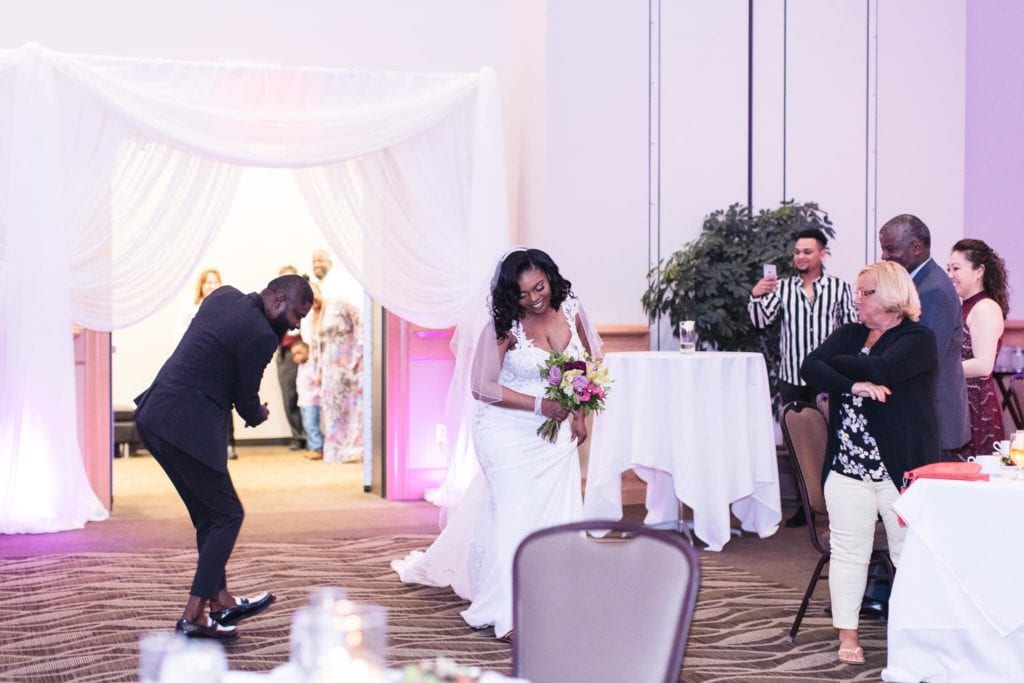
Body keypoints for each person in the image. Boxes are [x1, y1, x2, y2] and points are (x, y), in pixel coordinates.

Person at [392, 247, 602, 639]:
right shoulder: (504, 321)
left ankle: (554, 595)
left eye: (539, 287)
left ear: (550, 278)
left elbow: (586, 365)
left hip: (554, 433)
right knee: (517, 513)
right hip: (505, 428)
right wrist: (542, 405)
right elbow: (482, 386)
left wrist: (579, 413)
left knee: (555, 513)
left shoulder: (572, 308)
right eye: (523, 294)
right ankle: (508, 608)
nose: (534, 298)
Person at [134, 274, 313, 639]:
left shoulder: (221, 296)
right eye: (297, 313)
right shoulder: (263, 335)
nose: (297, 323)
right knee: (229, 515)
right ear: (278, 299)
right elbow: (245, 395)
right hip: (186, 428)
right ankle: (193, 615)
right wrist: (258, 414)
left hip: (154, 416)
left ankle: (222, 601)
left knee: (209, 515)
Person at [801, 261, 939, 665]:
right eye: (858, 292)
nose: (856, 299)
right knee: (848, 552)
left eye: (866, 292)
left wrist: (839, 366)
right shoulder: (849, 333)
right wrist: (853, 384)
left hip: (901, 469)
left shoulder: (918, 339)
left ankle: (918, 634)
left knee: (908, 555)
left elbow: (883, 368)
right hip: (847, 467)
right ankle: (848, 636)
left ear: (893, 295)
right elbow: (810, 367)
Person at [748, 228, 857, 527]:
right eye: (797, 252)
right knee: (797, 441)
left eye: (807, 251)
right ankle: (804, 506)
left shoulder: (840, 288)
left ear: (822, 254)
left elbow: (851, 329)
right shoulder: (781, 288)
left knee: (833, 438)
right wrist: (756, 296)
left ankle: (837, 502)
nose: (800, 256)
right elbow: (760, 321)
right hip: (791, 375)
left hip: (827, 375)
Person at [879, 214, 970, 457]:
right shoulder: (920, 282)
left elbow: (922, 358)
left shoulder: (933, 290)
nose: (884, 257)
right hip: (924, 414)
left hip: (933, 416)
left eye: (890, 249)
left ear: (916, 247)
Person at [947, 239, 1010, 458]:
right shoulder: (965, 306)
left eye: (956, 268)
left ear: (979, 271)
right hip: (960, 400)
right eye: (949, 269)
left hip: (976, 406)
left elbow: (984, 365)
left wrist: (940, 371)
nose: (951, 275)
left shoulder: (985, 308)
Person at [313, 249, 365, 464]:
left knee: (352, 407)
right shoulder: (319, 310)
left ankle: (354, 448)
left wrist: (358, 357)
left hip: (348, 365)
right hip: (329, 367)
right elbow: (319, 343)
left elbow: (361, 328)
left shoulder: (343, 304)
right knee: (332, 407)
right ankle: (335, 449)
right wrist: (318, 369)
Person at [275, 265, 306, 451]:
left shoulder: (304, 300)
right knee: (289, 396)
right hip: (283, 351)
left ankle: (309, 436)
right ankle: (297, 435)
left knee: (305, 396)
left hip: (299, 349)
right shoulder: (275, 302)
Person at [291, 339, 324, 461]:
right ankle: (312, 447)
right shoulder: (301, 366)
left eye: (299, 353)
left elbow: (317, 380)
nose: (296, 357)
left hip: (312, 401)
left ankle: (318, 448)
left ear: (308, 351)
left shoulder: (311, 365)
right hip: (303, 401)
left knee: (312, 426)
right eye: (294, 355)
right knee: (307, 426)